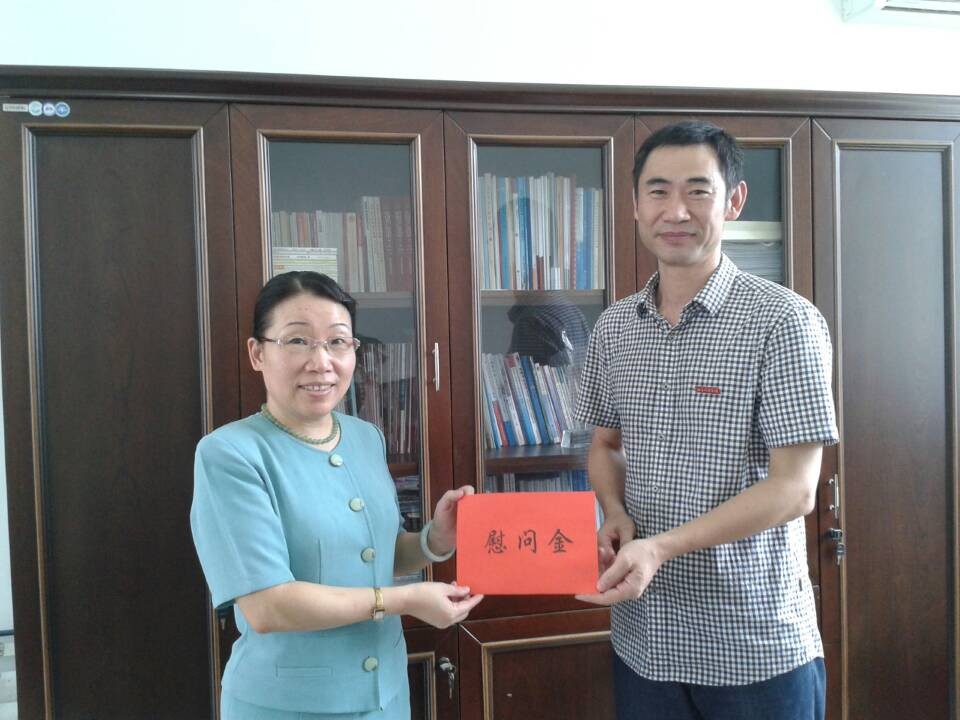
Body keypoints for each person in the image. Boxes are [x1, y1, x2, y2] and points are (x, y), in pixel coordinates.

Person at [575, 121, 838, 720]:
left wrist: (662, 548)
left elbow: (795, 490)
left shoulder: (784, 322)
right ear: (635, 204)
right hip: (645, 638)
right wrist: (614, 511)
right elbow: (606, 444)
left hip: (752, 644)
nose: (676, 211)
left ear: (733, 201)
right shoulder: (615, 327)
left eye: (698, 190)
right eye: (658, 191)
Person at [191, 271, 483, 720]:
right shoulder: (230, 454)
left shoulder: (365, 438)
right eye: (298, 341)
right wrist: (404, 600)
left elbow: (373, 555)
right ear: (257, 353)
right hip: (289, 706)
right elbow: (267, 606)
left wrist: (434, 539)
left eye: (338, 342)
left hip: (386, 698)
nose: (321, 361)